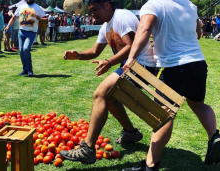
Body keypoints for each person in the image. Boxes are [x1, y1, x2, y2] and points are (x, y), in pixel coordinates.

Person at [121, 0, 220, 170]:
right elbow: (198, 34)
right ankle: (215, 137)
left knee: (163, 115)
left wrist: (131, 57)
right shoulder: (190, 5)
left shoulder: (153, 5)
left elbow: (144, 29)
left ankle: (150, 165)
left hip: (171, 66)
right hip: (197, 63)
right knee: (198, 104)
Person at [59, 0, 155, 164]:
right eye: (90, 11)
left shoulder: (122, 17)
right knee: (109, 98)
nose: (92, 14)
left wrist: (109, 62)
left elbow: (130, 46)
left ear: (107, 5)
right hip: (131, 65)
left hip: (142, 65)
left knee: (101, 93)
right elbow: (95, 51)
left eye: (95, 9)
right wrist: (79, 55)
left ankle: (87, 148)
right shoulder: (106, 25)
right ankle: (131, 133)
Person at [5, 0, 46, 77]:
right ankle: (25, 69)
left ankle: (30, 70)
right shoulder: (21, 7)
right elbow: (14, 18)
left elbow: (46, 19)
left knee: (26, 49)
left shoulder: (38, 8)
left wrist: (40, 19)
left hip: (31, 32)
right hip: (21, 32)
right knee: (21, 51)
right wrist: (8, 26)